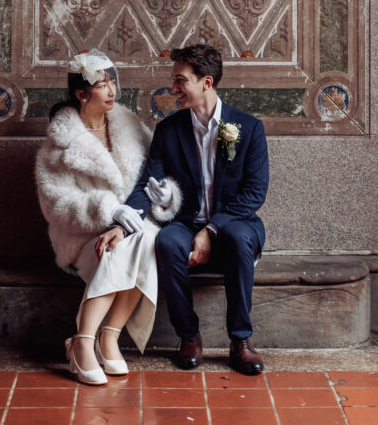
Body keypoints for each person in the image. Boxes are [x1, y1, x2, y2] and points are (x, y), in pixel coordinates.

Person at [35, 49, 182, 385]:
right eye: (102, 84)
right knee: (130, 244)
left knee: (145, 239)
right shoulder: (58, 146)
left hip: (131, 230)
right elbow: (55, 205)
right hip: (82, 241)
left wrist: (165, 197)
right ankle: (86, 341)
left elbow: (154, 177)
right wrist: (109, 211)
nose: (112, 90)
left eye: (113, 81)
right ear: (81, 93)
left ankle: (105, 337)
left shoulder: (132, 128)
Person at [124, 43, 269, 375]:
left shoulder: (249, 128)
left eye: (180, 81)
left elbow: (254, 194)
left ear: (206, 82)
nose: (173, 89)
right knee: (166, 241)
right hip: (185, 222)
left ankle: (241, 340)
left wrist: (210, 230)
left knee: (237, 237)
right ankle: (188, 335)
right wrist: (123, 221)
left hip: (234, 222)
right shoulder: (168, 130)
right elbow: (148, 184)